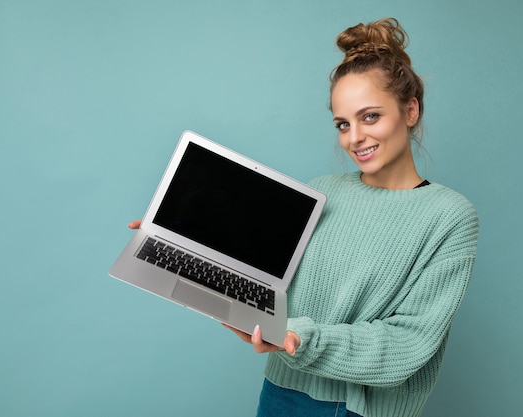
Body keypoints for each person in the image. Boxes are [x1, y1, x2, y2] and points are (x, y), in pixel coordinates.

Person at [130, 17, 478, 417]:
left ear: (411, 110)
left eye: (370, 117)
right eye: (342, 124)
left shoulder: (449, 216)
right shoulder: (323, 192)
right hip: (281, 387)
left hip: (357, 407)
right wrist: (181, 240)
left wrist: (300, 338)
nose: (354, 138)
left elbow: (409, 343)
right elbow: (271, 280)